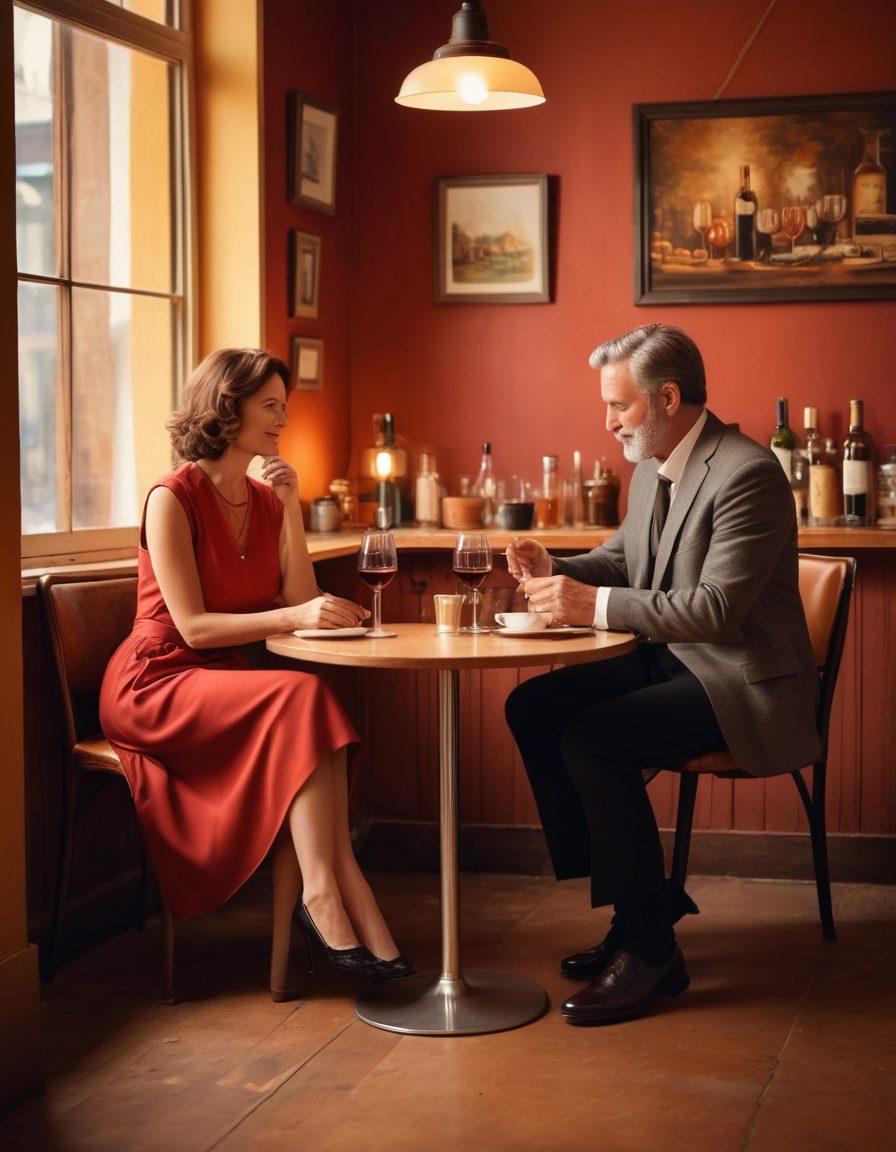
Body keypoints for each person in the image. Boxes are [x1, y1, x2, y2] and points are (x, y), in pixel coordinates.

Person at [504, 323, 820, 1026]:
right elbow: (621, 561)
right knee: (535, 709)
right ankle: (638, 905)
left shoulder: (749, 473)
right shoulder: (654, 466)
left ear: (668, 397)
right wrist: (553, 567)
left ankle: (648, 943)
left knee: (594, 738)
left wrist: (592, 604)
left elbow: (714, 610)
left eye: (619, 405)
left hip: (739, 680)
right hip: (670, 661)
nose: (608, 420)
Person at [100, 348, 413, 999]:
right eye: (270, 407)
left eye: (282, 408)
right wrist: (298, 611)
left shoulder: (266, 502)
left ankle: (337, 898)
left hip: (225, 681)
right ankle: (328, 900)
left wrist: (292, 509)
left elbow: (295, 603)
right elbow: (192, 628)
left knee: (309, 705)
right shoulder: (172, 496)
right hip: (156, 683)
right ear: (228, 407)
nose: (281, 421)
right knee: (303, 698)